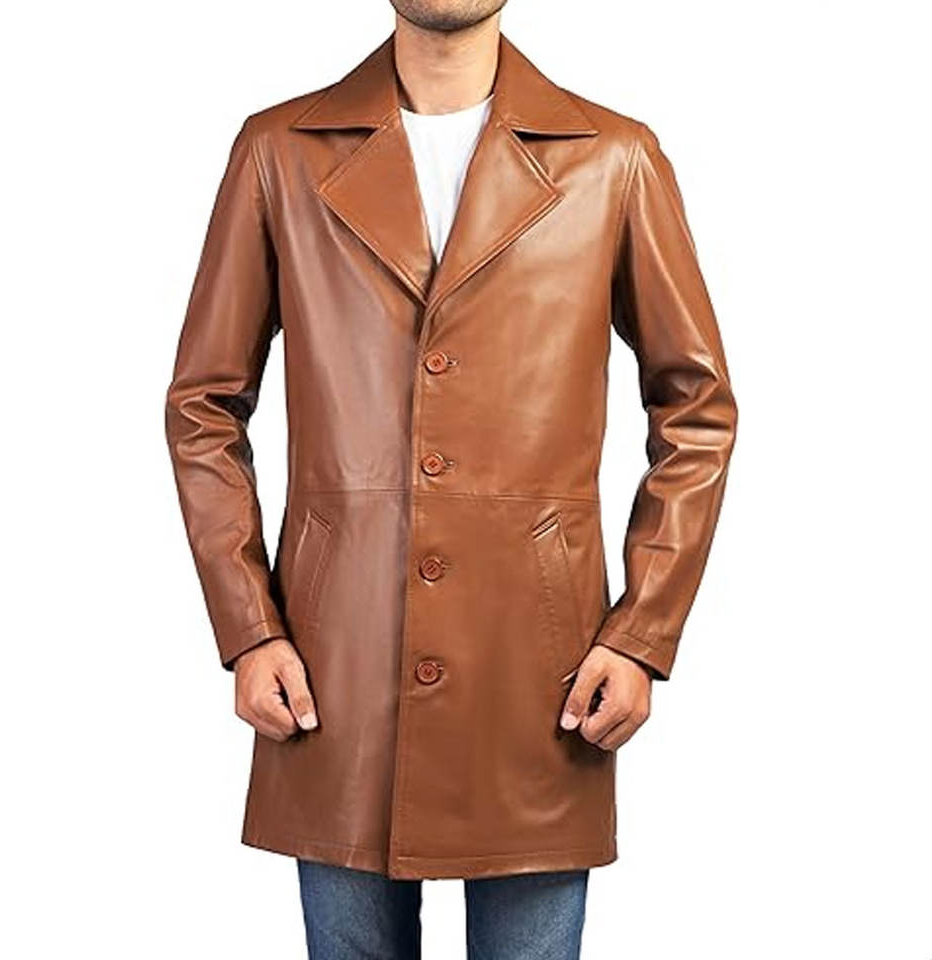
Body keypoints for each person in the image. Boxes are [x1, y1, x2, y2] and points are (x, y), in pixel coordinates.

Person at [165, 1, 737, 956]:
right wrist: (249, 627)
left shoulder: (615, 158)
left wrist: (642, 634)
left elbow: (697, 408)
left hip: (543, 677)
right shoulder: (278, 153)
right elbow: (203, 406)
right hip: (335, 666)